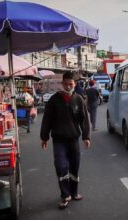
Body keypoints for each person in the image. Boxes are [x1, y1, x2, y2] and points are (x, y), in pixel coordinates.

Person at [40, 72, 91, 209]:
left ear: (74, 84)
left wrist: (86, 136)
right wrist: (44, 137)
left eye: (71, 84)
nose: (68, 87)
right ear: (62, 84)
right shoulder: (54, 100)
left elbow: (84, 120)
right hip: (59, 141)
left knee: (74, 167)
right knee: (61, 166)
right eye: (66, 84)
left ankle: (74, 192)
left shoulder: (78, 99)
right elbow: (47, 120)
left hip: (74, 139)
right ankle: (65, 195)